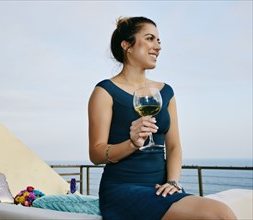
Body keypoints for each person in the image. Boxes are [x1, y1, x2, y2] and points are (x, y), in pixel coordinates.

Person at [88, 16, 236, 220]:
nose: (157, 47)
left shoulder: (166, 92)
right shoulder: (104, 91)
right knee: (220, 214)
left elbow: (174, 146)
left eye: (159, 41)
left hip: (162, 188)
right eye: (150, 38)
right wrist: (132, 143)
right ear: (127, 45)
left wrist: (173, 182)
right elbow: (96, 153)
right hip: (122, 190)